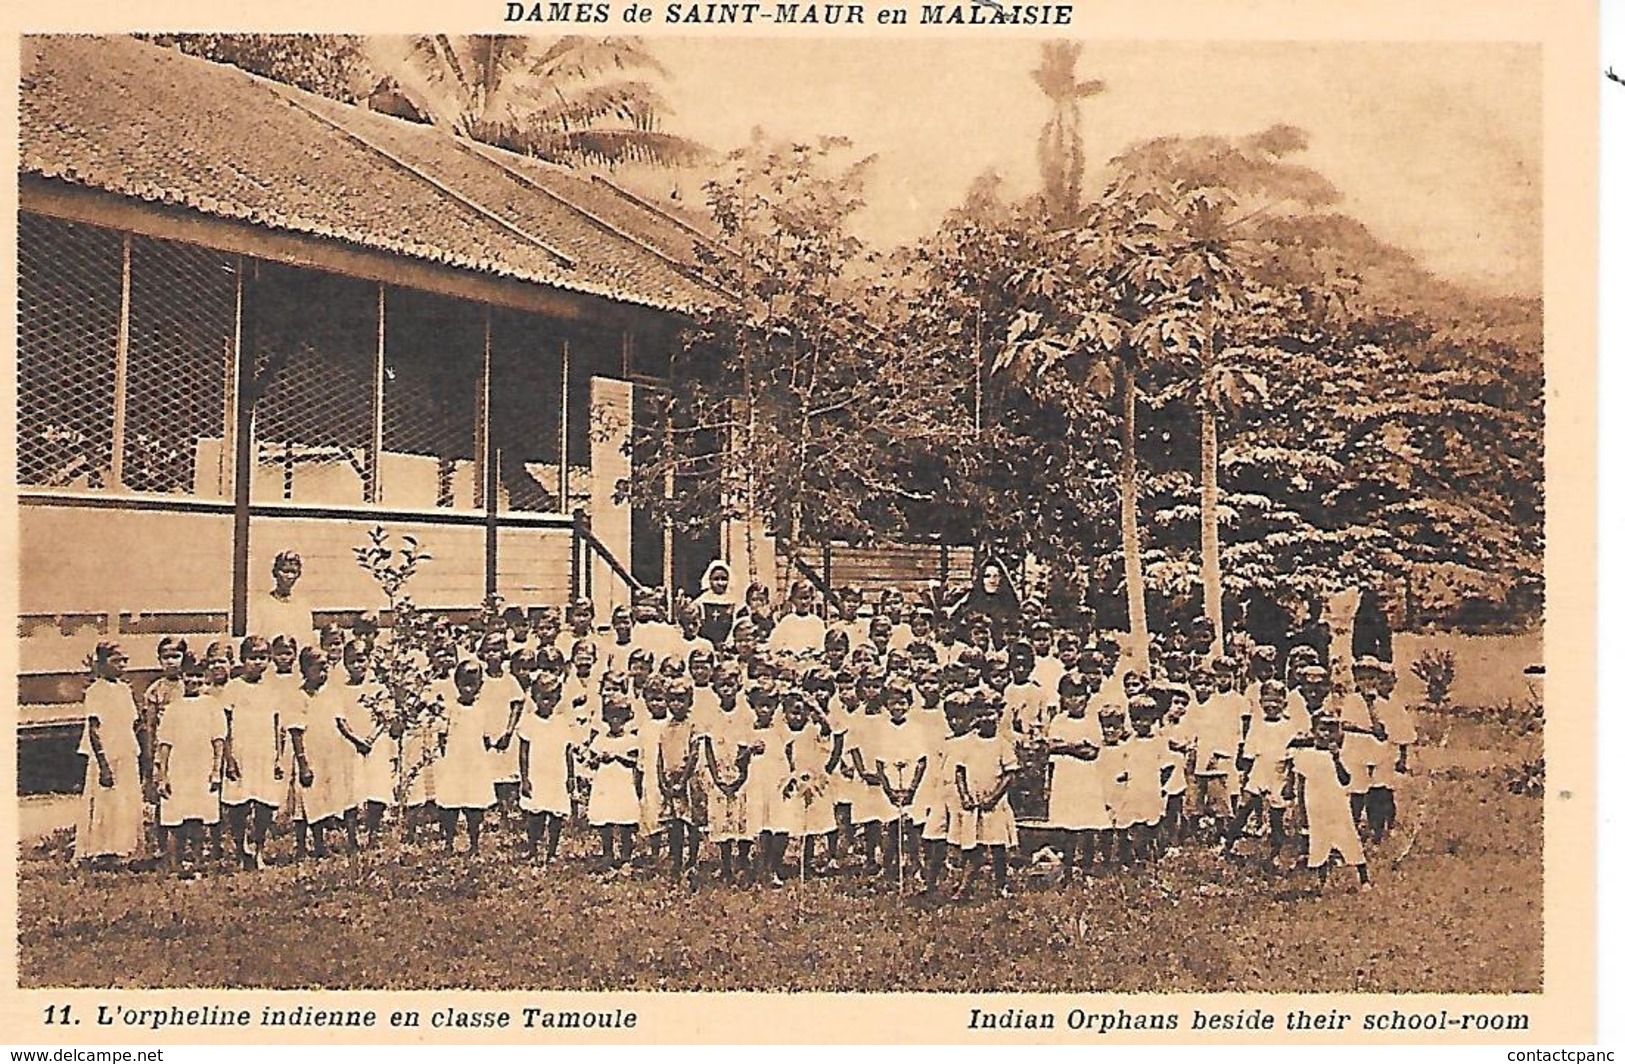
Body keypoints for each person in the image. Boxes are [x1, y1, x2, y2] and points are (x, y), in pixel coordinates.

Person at [154, 655, 226, 876]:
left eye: (198, 676)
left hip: (202, 768)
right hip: (179, 769)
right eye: (189, 676)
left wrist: (216, 770)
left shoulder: (212, 705)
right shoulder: (174, 708)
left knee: (198, 817)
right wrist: (162, 775)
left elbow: (218, 740)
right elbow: (164, 743)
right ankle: (175, 864)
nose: (194, 680)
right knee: (176, 820)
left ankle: (197, 862)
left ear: (206, 678)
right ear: (182, 677)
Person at [76, 642, 145, 867]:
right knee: (106, 801)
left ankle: (123, 848)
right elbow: (94, 729)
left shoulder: (124, 689)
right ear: (102, 663)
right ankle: (101, 850)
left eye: (124, 660)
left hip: (126, 751)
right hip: (106, 755)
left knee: (125, 800)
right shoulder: (96, 691)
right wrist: (103, 763)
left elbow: (132, 723)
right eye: (116, 661)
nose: (121, 665)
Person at [1285, 715, 1372, 892]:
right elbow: (1300, 782)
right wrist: (1299, 806)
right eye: (1322, 730)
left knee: (1349, 839)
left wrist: (1336, 758)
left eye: (1332, 731)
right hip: (1315, 805)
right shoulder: (1305, 755)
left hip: (1337, 804)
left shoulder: (1340, 754)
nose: (1326, 735)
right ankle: (1321, 882)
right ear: (1313, 731)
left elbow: (1345, 780)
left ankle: (1364, 879)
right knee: (1319, 841)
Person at [949, 693, 1020, 899]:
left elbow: (1010, 774)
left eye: (990, 714)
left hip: (994, 804)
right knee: (973, 846)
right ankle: (966, 885)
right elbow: (960, 771)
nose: (985, 719)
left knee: (998, 846)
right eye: (980, 714)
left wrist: (994, 798)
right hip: (973, 803)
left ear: (998, 715)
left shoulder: (1002, 744)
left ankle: (1001, 884)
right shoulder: (967, 743)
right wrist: (964, 796)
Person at [220, 636, 283, 869]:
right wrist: (229, 758)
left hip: (264, 752)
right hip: (241, 751)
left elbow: (277, 723)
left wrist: (278, 756)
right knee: (239, 805)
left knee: (264, 804)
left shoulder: (272, 688)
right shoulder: (233, 687)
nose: (258, 663)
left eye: (263, 658)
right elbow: (223, 725)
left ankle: (258, 848)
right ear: (242, 660)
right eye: (252, 658)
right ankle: (239, 847)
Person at [295, 646, 354, 859]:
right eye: (318, 668)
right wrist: (303, 763)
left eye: (326, 668)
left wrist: (358, 742)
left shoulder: (332, 693)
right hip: (310, 755)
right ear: (304, 669)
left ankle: (321, 844)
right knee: (306, 799)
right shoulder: (299, 696)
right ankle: (303, 846)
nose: (323, 673)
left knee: (324, 798)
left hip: (329, 754)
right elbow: (296, 732)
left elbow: (341, 723)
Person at [436, 662, 496, 857]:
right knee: (450, 804)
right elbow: (442, 736)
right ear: (457, 684)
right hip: (454, 762)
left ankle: (474, 843)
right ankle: (448, 841)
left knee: (474, 805)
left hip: (475, 763)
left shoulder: (484, 709)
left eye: (473, 683)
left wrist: (478, 758)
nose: (468, 688)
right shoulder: (450, 708)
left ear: (480, 684)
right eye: (464, 684)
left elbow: (487, 738)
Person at [516, 670, 572, 863]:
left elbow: (568, 751)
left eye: (552, 698)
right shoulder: (529, 721)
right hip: (537, 774)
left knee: (556, 814)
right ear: (535, 697)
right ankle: (533, 849)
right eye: (544, 698)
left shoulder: (561, 722)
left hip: (556, 774)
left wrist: (570, 777)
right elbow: (523, 752)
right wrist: (524, 779)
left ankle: (552, 851)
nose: (548, 702)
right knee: (536, 814)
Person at [584, 692, 641, 870]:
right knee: (606, 820)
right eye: (611, 717)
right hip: (605, 784)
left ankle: (626, 856)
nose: (615, 721)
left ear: (626, 718)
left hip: (623, 784)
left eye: (619, 717)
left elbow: (634, 762)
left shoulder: (631, 740)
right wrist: (599, 758)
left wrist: (617, 756)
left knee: (625, 820)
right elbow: (591, 762)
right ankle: (607, 853)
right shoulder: (600, 739)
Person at [253, 551, 313, 649]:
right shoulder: (261, 606)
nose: (289, 576)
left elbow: (307, 641)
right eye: (285, 571)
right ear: (275, 572)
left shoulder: (303, 606)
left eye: (293, 572)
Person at [767, 580, 827, 657]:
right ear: (793, 600)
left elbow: (821, 646)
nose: (803, 602)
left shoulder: (817, 623)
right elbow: (774, 645)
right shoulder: (787, 622)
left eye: (806, 598)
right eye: (799, 598)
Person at [694, 560, 742, 649]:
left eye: (724, 579)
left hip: (727, 646)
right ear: (709, 579)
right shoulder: (701, 602)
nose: (720, 583)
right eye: (716, 579)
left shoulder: (735, 601)